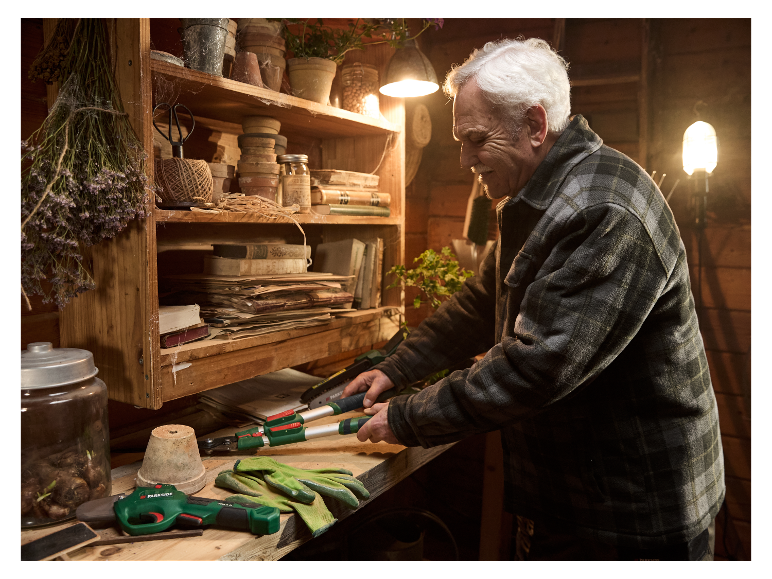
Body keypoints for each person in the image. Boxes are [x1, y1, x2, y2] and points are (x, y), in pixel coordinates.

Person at [341, 37, 724, 561]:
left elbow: (537, 365)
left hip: (633, 514)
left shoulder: (605, 209)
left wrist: (406, 417)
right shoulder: (539, 195)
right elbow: (483, 301)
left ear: (536, 126)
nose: (464, 158)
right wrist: (397, 368)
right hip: (574, 496)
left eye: (476, 138)